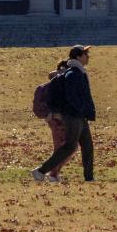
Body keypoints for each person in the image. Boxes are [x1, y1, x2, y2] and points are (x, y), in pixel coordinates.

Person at [32, 45, 95, 183]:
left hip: (79, 115)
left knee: (87, 145)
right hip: (73, 115)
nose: (88, 57)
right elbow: (72, 96)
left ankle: (89, 178)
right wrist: (80, 108)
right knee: (70, 146)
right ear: (78, 56)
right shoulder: (73, 74)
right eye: (86, 54)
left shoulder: (78, 72)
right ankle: (40, 171)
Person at [43, 59, 71, 183]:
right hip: (57, 120)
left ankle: (54, 173)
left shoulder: (63, 82)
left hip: (62, 119)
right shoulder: (56, 83)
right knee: (67, 147)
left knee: (64, 148)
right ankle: (52, 174)